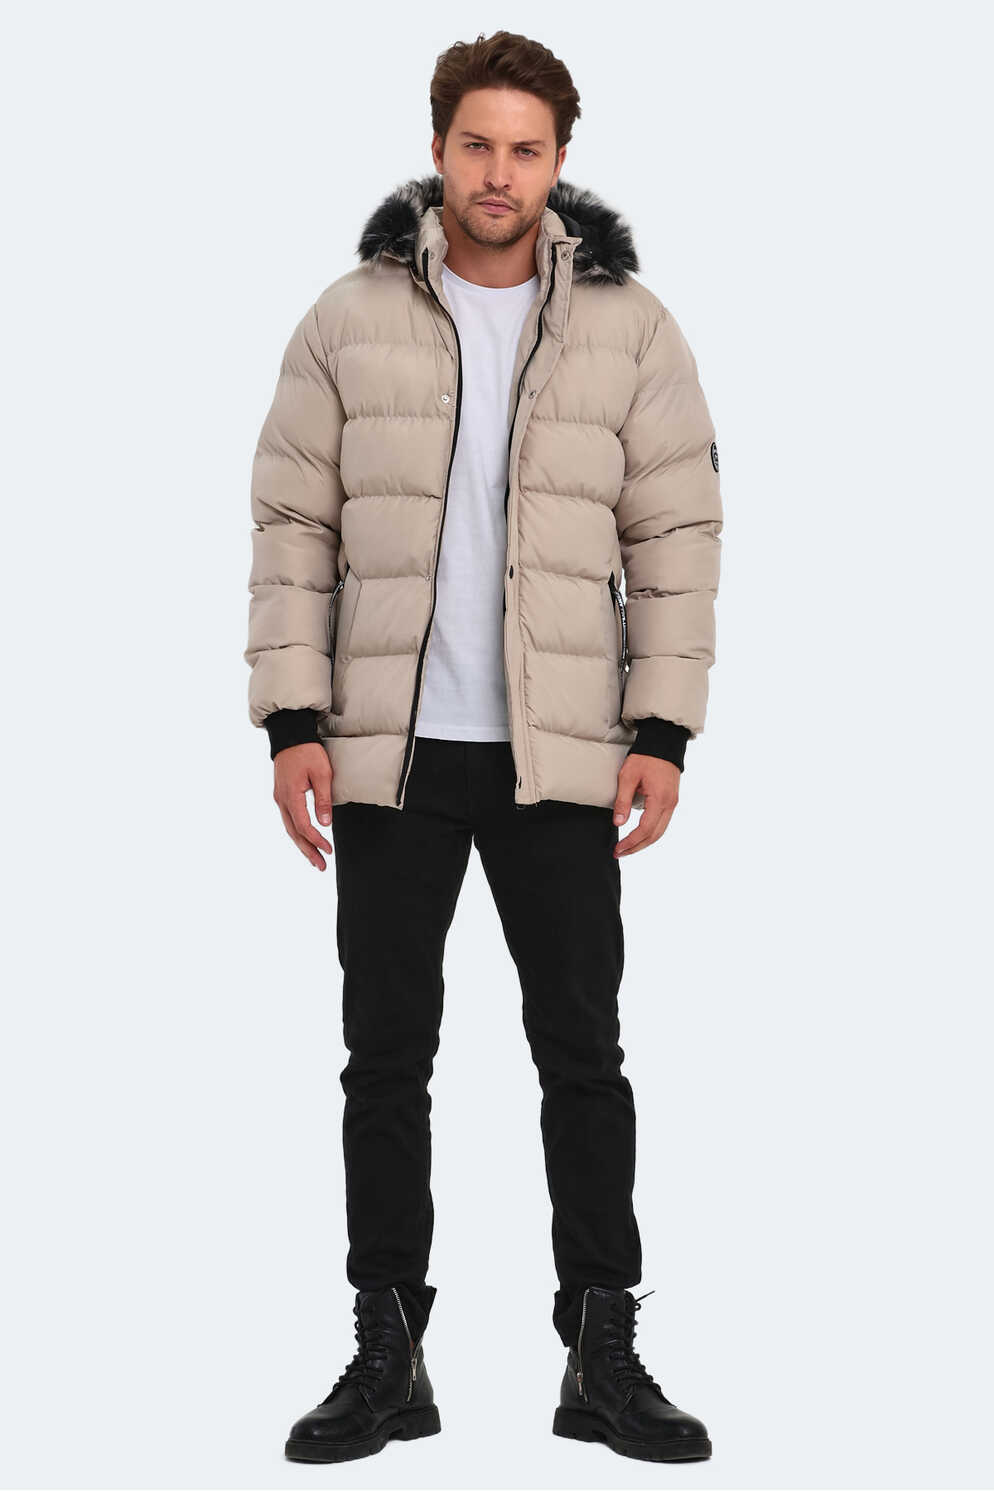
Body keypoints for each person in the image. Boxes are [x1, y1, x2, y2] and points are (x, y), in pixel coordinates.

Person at [245, 28, 722, 1466]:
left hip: (558, 757)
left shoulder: (631, 328)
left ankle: (601, 1350)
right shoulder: (347, 319)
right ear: (439, 149)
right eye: (476, 145)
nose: (498, 173)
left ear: (559, 161)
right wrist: (293, 721)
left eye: (525, 149)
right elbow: (294, 523)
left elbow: (676, 531)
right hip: (390, 754)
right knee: (384, 1059)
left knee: (583, 1054)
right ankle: (386, 1352)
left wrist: (661, 729)